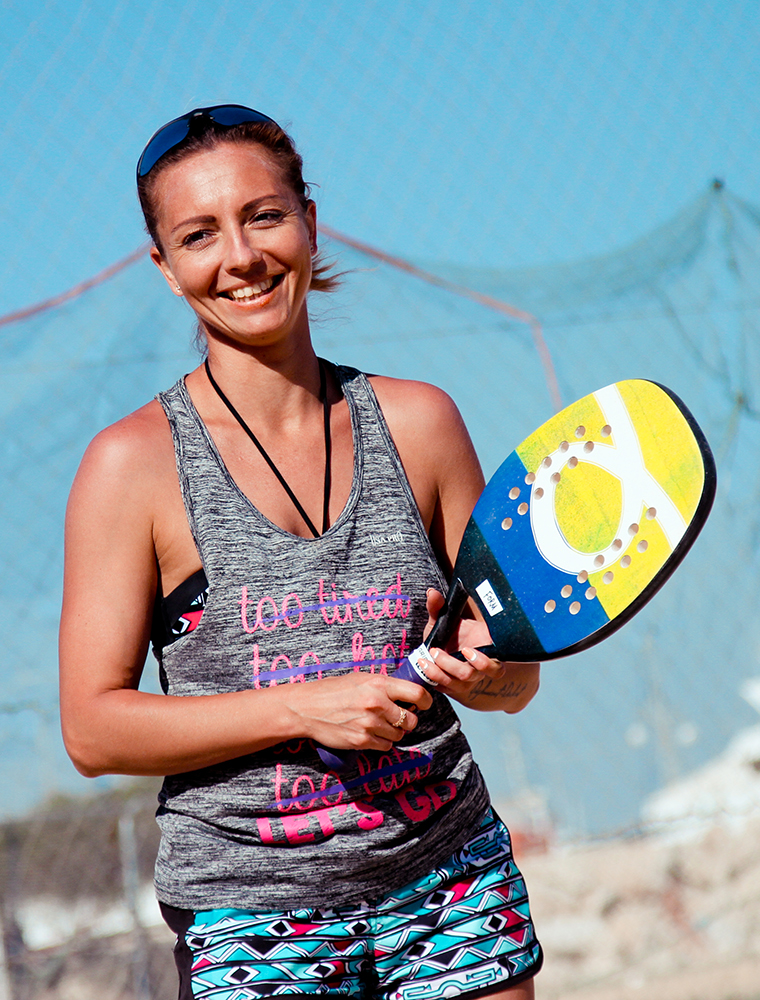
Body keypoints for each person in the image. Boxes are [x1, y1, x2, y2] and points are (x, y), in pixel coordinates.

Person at [59, 105, 543, 1000]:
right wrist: (304, 707)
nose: (239, 257)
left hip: (450, 880)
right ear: (166, 270)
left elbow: (515, 677)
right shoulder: (131, 467)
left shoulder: (421, 423)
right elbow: (92, 729)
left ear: (310, 223)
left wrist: (490, 677)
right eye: (199, 235)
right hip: (253, 916)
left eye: (264, 216)